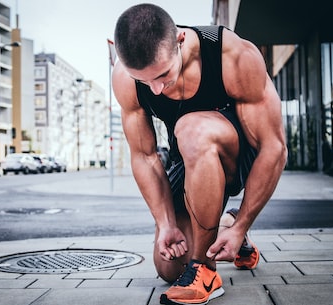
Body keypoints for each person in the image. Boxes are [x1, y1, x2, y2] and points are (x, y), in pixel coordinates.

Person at [112, 3, 287, 305]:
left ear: (180, 41)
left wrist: (246, 220)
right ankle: (225, 228)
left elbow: (274, 147)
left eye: (163, 75)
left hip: (237, 155)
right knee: (168, 267)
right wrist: (165, 223)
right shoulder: (126, 77)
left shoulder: (231, 54)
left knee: (191, 128)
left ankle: (204, 271)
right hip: (188, 158)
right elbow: (144, 155)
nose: (155, 89)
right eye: (144, 81)